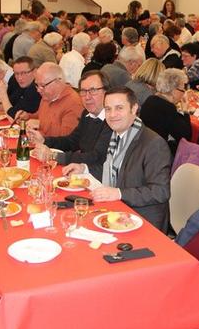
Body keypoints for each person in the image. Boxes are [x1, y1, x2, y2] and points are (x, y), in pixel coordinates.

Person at [63, 87, 171, 231]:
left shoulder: (153, 144)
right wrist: (85, 168)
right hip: (118, 210)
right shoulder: (117, 135)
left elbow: (160, 191)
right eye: (108, 109)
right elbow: (118, 171)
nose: (112, 115)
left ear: (134, 109)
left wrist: (118, 193)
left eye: (119, 108)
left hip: (143, 220)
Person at [29, 70, 112, 165]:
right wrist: (44, 140)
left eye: (93, 90)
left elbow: (96, 157)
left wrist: (54, 156)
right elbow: (71, 141)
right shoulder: (87, 114)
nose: (87, 97)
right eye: (83, 91)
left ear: (106, 92)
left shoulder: (112, 120)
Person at [140, 68, 191, 154]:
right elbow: (185, 136)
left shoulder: (150, 99)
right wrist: (185, 111)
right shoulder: (168, 108)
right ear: (174, 91)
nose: (183, 93)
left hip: (145, 146)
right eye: (182, 89)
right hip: (159, 153)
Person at [26, 62, 83, 137]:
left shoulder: (74, 103)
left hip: (55, 147)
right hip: (40, 142)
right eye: (37, 85)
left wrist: (41, 124)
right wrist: (27, 117)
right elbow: (41, 116)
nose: (38, 90)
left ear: (58, 82)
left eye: (43, 85)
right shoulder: (47, 96)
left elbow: (66, 139)